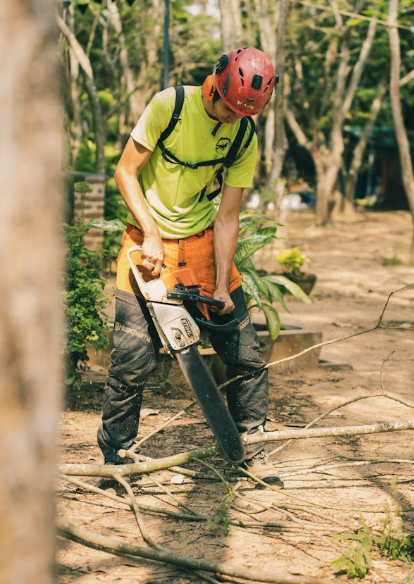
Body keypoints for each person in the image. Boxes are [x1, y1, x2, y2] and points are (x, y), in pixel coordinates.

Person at [97, 47, 282, 487]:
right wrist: (152, 232)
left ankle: (251, 449)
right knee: (131, 359)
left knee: (245, 355)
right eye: (229, 109)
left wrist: (220, 283)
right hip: (146, 243)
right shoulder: (170, 105)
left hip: (201, 245)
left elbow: (229, 215)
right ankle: (117, 456)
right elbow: (125, 172)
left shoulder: (242, 135)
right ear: (215, 85)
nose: (233, 119)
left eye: (244, 114)